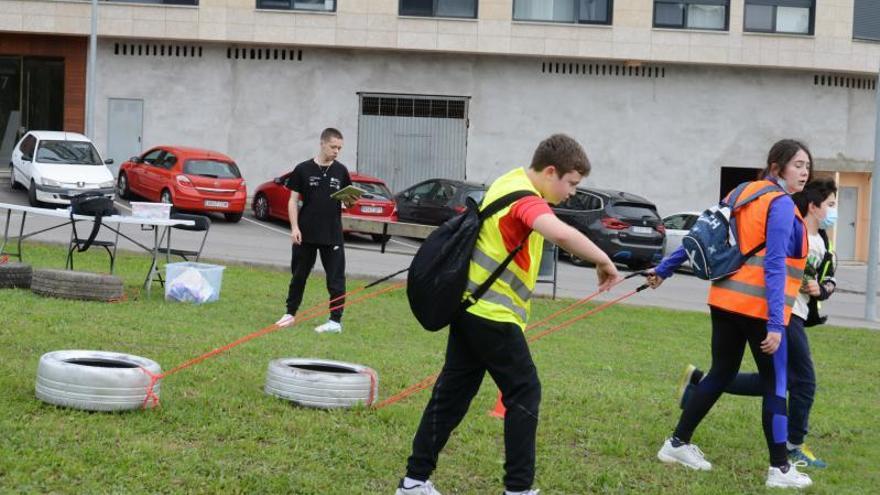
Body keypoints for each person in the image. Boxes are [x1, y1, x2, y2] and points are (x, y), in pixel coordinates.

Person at [395, 134, 622, 495]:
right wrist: (603, 259)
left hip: (470, 309)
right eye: (571, 183)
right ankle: (518, 488)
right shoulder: (526, 201)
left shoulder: (508, 180)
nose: (573, 193)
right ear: (551, 172)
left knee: (451, 396)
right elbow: (560, 234)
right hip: (493, 316)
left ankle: (413, 481)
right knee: (525, 392)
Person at [647, 139, 814, 489]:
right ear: (776, 167)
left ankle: (676, 444)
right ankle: (780, 469)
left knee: (722, 373)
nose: (804, 171)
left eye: (807, 166)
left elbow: (702, 232)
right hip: (758, 308)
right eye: (797, 164)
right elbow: (773, 263)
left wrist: (665, 267)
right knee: (775, 385)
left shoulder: (740, 192)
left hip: (724, 300)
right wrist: (774, 323)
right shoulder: (781, 204)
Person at [677, 178, 838, 468]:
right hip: (780, 314)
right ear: (813, 206)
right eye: (830, 205)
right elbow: (773, 264)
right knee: (794, 382)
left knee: (750, 376)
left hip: (782, 313)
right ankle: (788, 453)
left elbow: (827, 276)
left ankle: (693, 401)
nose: (833, 211)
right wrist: (776, 323)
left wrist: (823, 288)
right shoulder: (782, 214)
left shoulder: (819, 237)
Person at [275, 128, 354, 333]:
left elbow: (348, 202)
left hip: (332, 234)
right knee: (299, 275)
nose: (336, 151)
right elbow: (293, 201)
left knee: (336, 279)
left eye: (339, 148)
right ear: (322, 143)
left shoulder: (341, 171)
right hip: (306, 233)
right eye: (333, 147)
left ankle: (335, 321)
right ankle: (289, 314)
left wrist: (349, 201)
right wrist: (294, 228)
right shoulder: (302, 169)